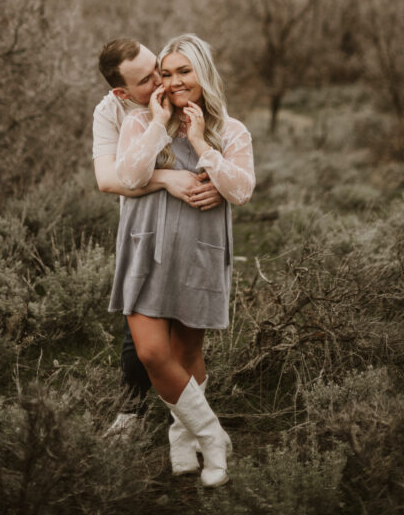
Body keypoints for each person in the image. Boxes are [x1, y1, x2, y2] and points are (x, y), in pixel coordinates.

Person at [109, 33, 255, 487]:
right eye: (166, 74)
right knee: (153, 352)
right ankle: (212, 436)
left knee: (188, 352)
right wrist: (158, 124)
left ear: (202, 73)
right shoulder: (139, 121)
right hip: (145, 247)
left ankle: (182, 440)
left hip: (199, 251)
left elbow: (242, 190)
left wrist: (202, 145)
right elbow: (128, 176)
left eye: (183, 71)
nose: (173, 82)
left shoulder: (232, 130)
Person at [93, 38, 223, 435]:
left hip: (195, 221)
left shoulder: (179, 82)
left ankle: (184, 426)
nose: (161, 81)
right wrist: (166, 179)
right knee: (143, 330)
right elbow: (107, 179)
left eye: (158, 68)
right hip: (142, 224)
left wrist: (220, 183)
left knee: (183, 332)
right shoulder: (111, 111)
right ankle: (131, 411)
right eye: (148, 79)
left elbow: (222, 143)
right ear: (122, 91)